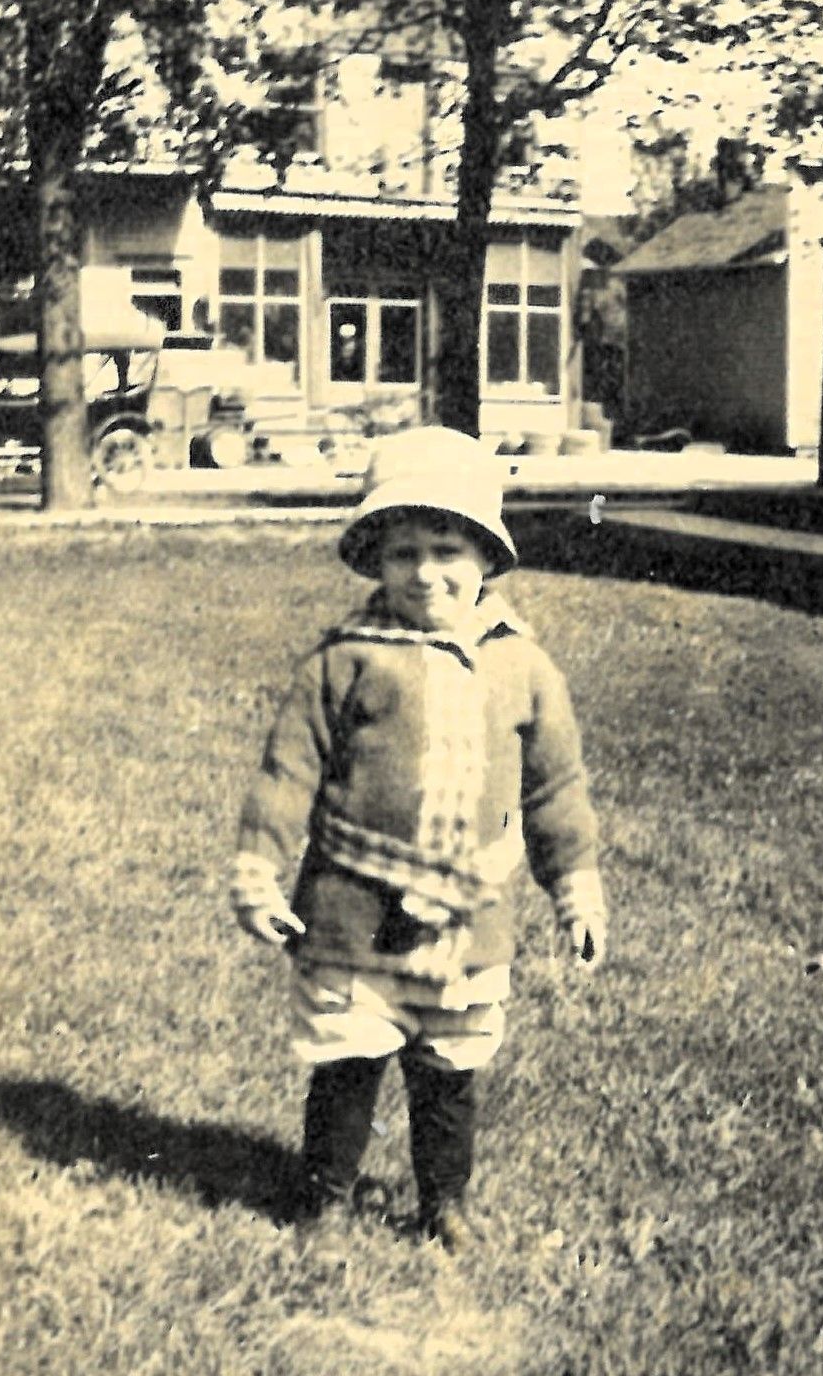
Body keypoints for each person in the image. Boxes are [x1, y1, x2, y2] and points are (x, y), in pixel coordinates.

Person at [231, 425, 605, 1249]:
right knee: (348, 1059)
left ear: (485, 558)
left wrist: (574, 890)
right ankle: (325, 1198)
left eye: (446, 550)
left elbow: (555, 790)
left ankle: (445, 1203)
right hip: (351, 912)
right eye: (403, 553)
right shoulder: (344, 661)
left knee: (450, 1069)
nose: (426, 573)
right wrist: (257, 872)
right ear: (374, 561)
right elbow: (286, 773)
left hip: (468, 919)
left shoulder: (524, 668)